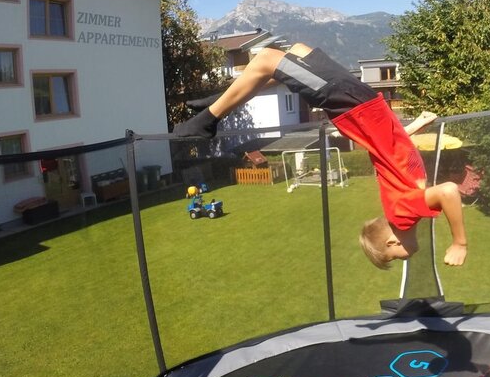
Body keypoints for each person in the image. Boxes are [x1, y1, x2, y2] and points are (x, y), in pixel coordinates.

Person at [174, 43, 467, 268]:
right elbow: (395, 155)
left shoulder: (403, 214)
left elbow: (446, 191)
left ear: (391, 241)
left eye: (395, 258)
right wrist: (415, 126)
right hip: (360, 104)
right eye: (395, 259)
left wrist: (459, 243)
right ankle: (220, 104)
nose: (403, 258)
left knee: (267, 59)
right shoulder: (405, 209)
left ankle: (210, 116)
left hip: (354, 104)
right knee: (295, 52)